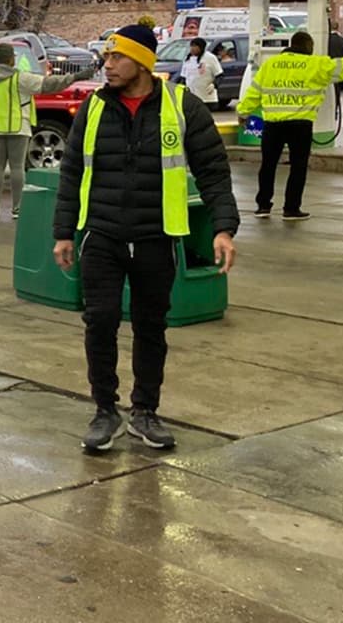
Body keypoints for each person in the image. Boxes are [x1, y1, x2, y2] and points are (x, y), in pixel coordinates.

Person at [53, 23, 239, 453]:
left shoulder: (182, 106)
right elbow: (71, 172)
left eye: (117, 57)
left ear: (142, 62)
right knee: (100, 322)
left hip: (157, 237)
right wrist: (63, 232)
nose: (108, 65)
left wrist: (224, 228)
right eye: (107, 56)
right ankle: (105, 410)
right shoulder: (93, 108)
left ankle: (145, 412)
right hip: (101, 235)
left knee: (151, 327)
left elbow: (213, 172)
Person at [237, 31, 343, 221]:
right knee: (298, 167)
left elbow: (254, 92)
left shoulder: (270, 65)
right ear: (309, 47)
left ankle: (263, 206)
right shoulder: (316, 65)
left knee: (268, 166)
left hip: (273, 125)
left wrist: (243, 112)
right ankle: (291, 209)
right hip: (300, 125)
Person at [0, 42, 93, 218]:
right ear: (9, 59)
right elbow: (49, 84)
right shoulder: (20, 78)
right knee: (17, 168)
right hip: (18, 128)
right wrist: (75, 77)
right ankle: (17, 208)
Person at [181, 37, 223, 107]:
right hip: (192, 96)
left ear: (201, 47)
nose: (192, 48)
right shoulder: (187, 59)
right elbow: (183, 77)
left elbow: (219, 75)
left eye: (195, 46)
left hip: (207, 97)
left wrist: (214, 85)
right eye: (191, 46)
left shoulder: (210, 58)